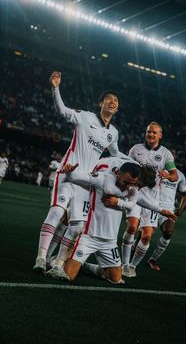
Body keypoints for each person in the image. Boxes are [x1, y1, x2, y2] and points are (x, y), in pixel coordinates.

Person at [33, 71, 122, 273]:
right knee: (56, 213)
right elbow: (62, 110)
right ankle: (40, 258)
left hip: (86, 182)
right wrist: (55, 87)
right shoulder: (84, 117)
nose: (113, 102)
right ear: (101, 103)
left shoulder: (113, 133)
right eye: (109, 99)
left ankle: (57, 262)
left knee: (77, 226)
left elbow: (117, 155)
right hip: (66, 174)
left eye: (116, 100)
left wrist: (135, 163)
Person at [47, 162, 142, 282]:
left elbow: (133, 204)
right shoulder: (102, 179)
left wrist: (118, 202)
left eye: (131, 183)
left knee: (115, 279)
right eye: (126, 182)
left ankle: (85, 265)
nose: (128, 186)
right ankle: (54, 261)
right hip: (88, 237)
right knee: (68, 276)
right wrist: (70, 171)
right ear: (118, 174)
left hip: (110, 242)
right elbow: (75, 177)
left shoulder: (132, 189)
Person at [121, 121, 178, 277]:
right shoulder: (135, 149)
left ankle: (132, 266)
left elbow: (175, 175)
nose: (150, 135)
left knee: (146, 236)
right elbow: (124, 167)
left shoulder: (166, 154)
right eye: (148, 132)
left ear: (160, 135)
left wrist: (168, 175)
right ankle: (124, 264)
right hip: (135, 192)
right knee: (132, 227)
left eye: (154, 132)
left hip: (152, 197)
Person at [147, 152, 186, 270]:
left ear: (174, 158)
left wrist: (181, 208)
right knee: (146, 235)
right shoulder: (156, 169)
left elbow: (185, 194)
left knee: (168, 232)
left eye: (173, 155)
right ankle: (135, 246)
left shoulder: (180, 175)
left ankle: (153, 259)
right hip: (152, 205)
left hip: (169, 210)